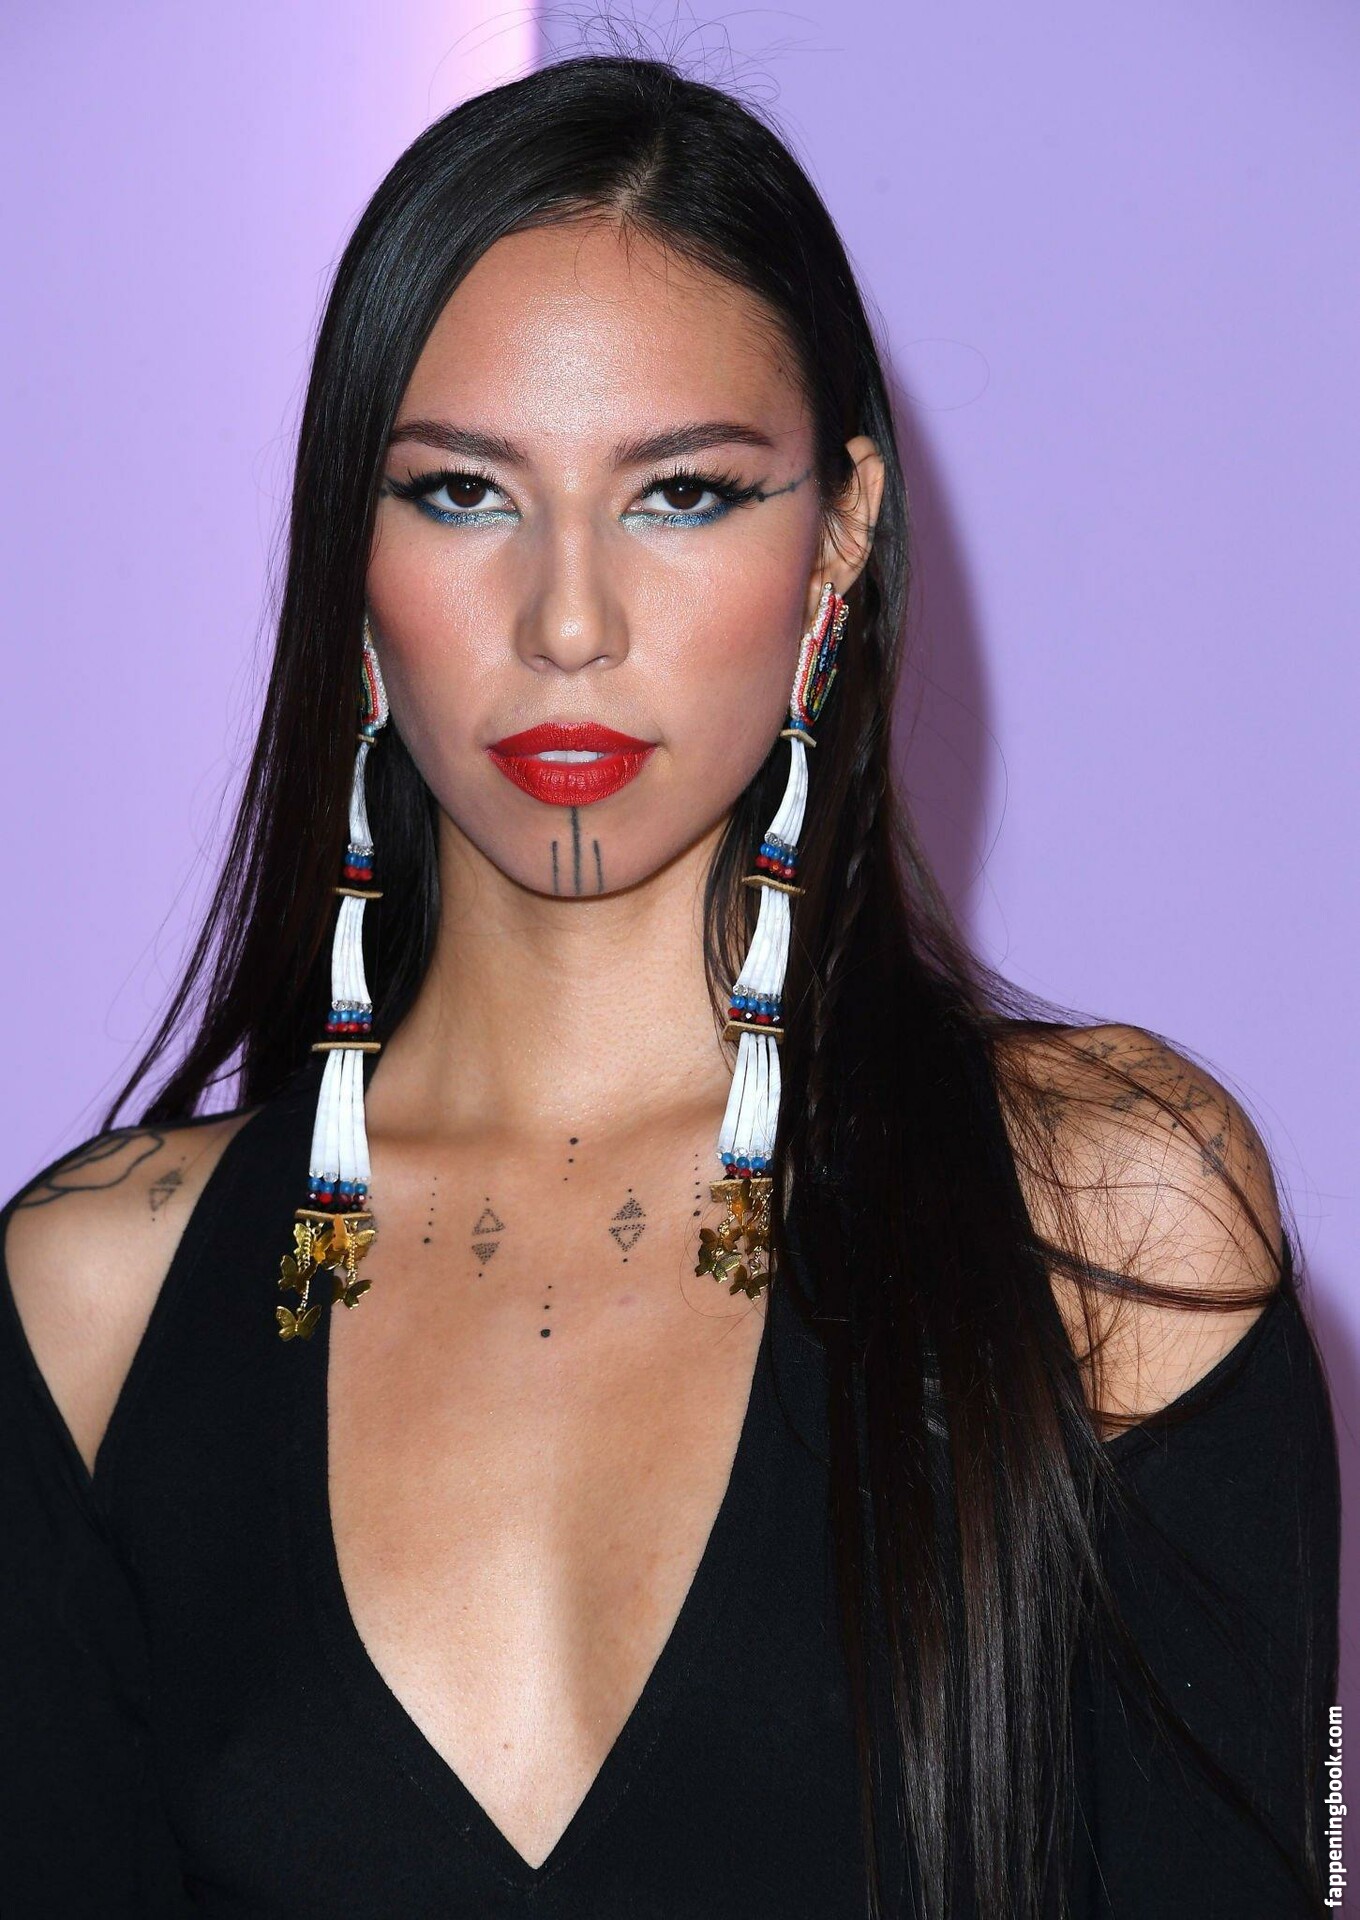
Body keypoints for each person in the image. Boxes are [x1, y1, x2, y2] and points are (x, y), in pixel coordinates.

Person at [0, 50, 1340, 1920]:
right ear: (349, 551)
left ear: (839, 533)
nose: (569, 619)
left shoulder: (1111, 1225)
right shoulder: (93, 1307)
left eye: (683, 494)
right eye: (463, 493)